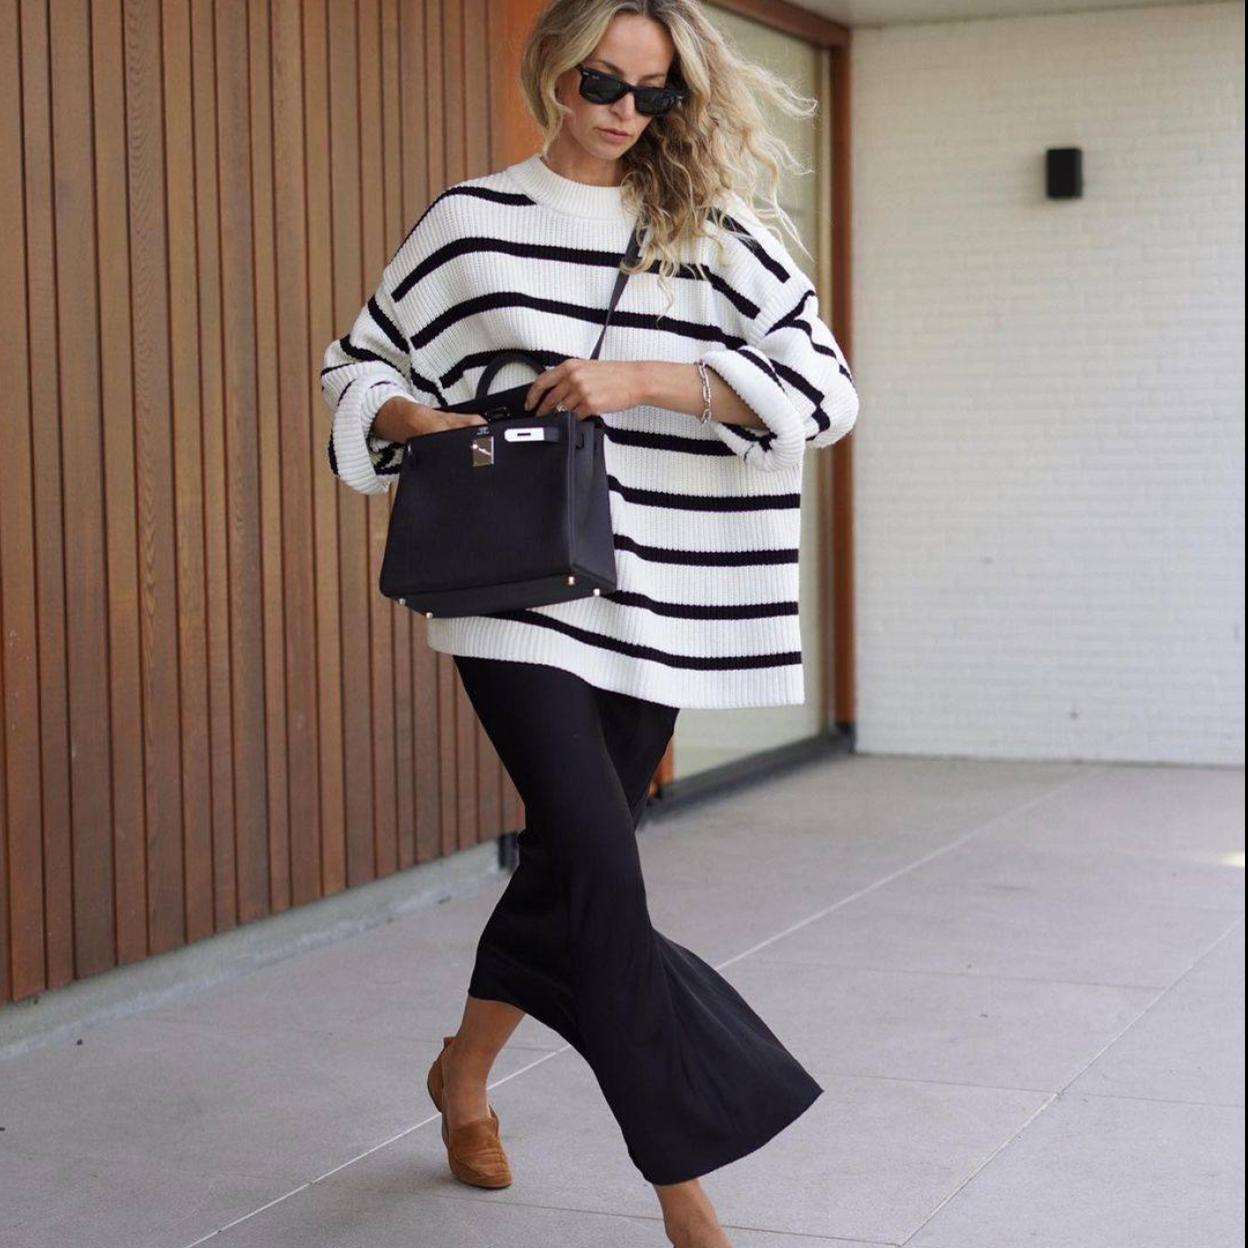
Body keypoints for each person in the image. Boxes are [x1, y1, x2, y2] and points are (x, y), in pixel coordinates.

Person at [321, 2, 859, 1244]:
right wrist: (425, 423)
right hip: (516, 591)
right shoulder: (472, 221)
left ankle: (461, 1076)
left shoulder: (712, 231)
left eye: (654, 93)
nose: (624, 111)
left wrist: (649, 378)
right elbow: (360, 368)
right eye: (602, 83)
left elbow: (828, 391)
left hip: (663, 597)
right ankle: (682, 1186)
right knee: (604, 872)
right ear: (553, 73)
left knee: (570, 865)